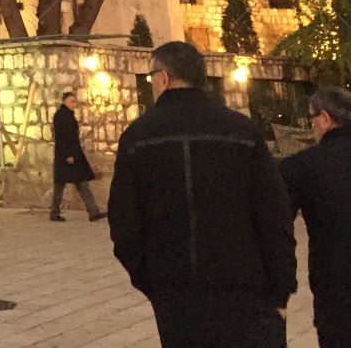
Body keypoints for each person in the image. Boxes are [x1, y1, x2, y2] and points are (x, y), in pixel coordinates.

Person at [108, 40, 296, 348]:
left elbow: (123, 221)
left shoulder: (138, 137)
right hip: (243, 284)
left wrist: (149, 278)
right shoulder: (241, 131)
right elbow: (274, 214)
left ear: (163, 77)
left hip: (174, 289)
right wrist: (281, 285)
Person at [279, 85, 351, 348]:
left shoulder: (302, 166)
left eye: (311, 119)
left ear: (325, 118)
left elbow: (278, 226)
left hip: (335, 286)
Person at [50, 90, 106, 222]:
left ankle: (93, 211)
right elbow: (61, 137)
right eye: (72, 101)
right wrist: (67, 155)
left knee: (81, 183)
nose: (74, 104)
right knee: (61, 185)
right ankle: (55, 213)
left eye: (75, 101)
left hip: (73, 155)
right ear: (65, 102)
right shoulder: (61, 116)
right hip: (67, 157)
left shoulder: (68, 115)